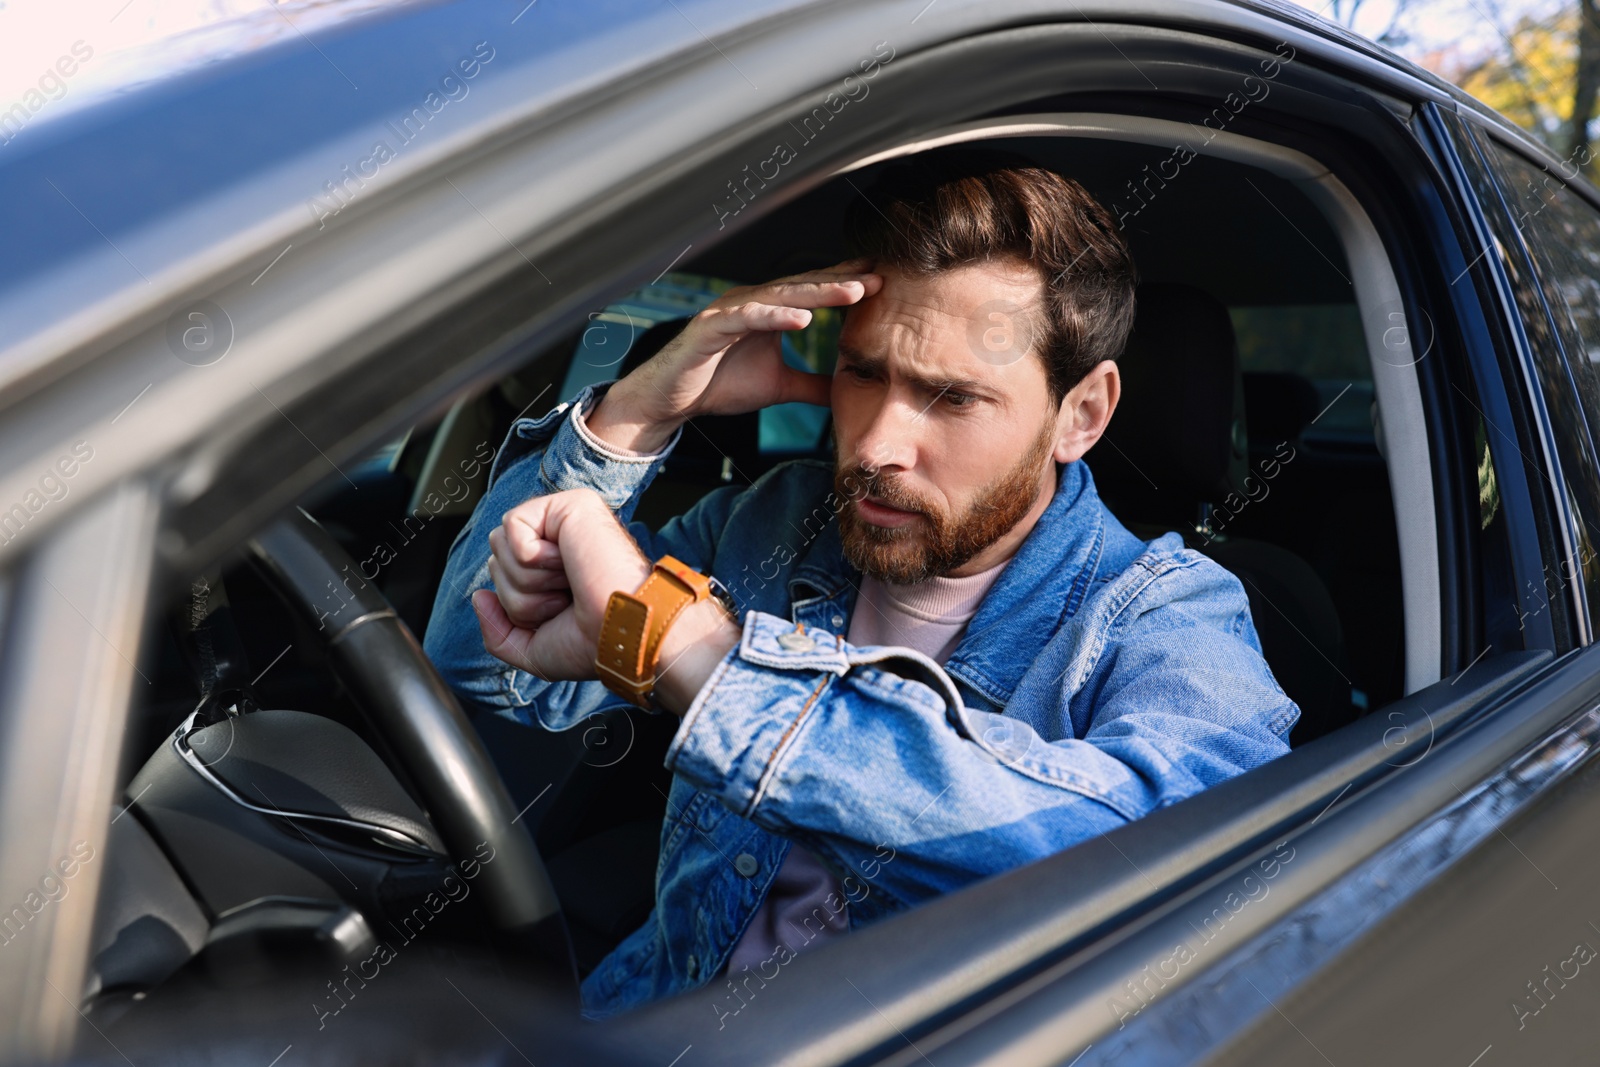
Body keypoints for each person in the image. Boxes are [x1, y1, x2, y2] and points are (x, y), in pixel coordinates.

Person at [422, 151, 1300, 1019]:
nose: (876, 445)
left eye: (953, 398)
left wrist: (697, 655)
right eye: (863, 371)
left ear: (1083, 414)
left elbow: (1174, 876)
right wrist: (637, 415)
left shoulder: (1167, 612)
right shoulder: (771, 523)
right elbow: (483, 659)